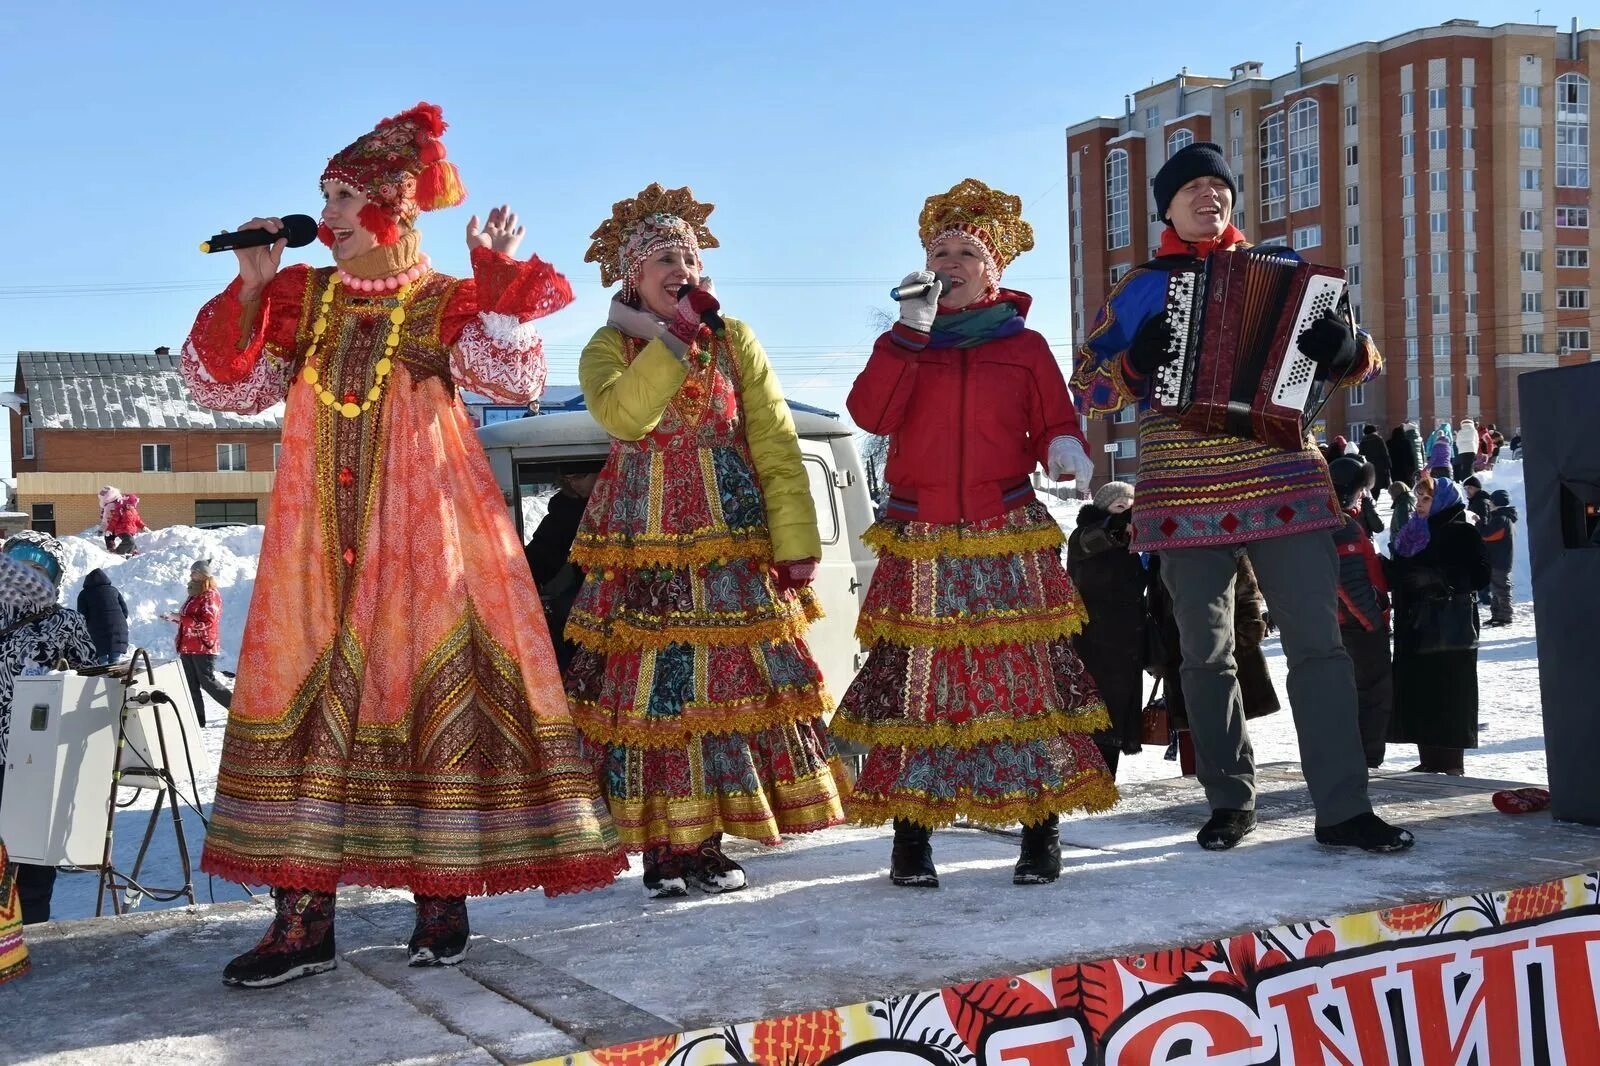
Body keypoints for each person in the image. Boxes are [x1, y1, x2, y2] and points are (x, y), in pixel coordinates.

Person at [179, 103, 624, 987]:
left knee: (425, 692)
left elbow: (515, 380)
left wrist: (498, 281)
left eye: (346, 196)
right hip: (314, 549)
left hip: (422, 543)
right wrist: (255, 283)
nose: (330, 213)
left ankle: (441, 901)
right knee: (307, 700)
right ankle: (301, 923)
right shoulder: (304, 301)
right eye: (325, 196)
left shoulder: (440, 301)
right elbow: (226, 395)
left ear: (395, 209)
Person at [1072, 141, 1412, 853]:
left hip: (1284, 479)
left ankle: (1344, 808)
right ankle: (1230, 800)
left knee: (1320, 647)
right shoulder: (1142, 286)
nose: (1209, 197)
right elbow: (1091, 387)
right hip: (1182, 488)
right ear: (1166, 207)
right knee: (1204, 654)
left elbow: (1367, 360)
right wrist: (1136, 360)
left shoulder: (1288, 273)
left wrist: (1344, 351)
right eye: (1191, 188)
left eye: (1217, 188)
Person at [567, 182, 844, 899]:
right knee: (656, 697)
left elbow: (775, 442)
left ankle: (706, 840)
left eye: (686, 255)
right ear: (633, 274)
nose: (678, 267)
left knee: (724, 693)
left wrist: (795, 540)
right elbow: (626, 417)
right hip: (645, 547)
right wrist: (676, 338)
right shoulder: (607, 346)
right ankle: (663, 848)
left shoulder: (736, 339)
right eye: (662, 257)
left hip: (729, 542)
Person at [840, 178, 1115, 888]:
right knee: (918, 688)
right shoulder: (904, 342)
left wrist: (1065, 449)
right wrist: (909, 334)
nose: (952, 262)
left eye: (968, 251)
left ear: (995, 269)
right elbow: (870, 413)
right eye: (941, 250)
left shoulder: (1023, 348)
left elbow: (1056, 419)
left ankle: (1039, 832)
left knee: (1022, 683)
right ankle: (911, 841)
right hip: (921, 532)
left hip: (1004, 528)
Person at [0, 532, 98, 926]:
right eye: (18, 565)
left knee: (33, 864)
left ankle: (34, 937)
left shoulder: (64, 622)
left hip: (36, 761)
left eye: (38, 568)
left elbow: (93, 683)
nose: (26, 576)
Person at [1389, 477, 1489, 775]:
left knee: (1449, 693)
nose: (1418, 505)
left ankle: (1451, 765)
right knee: (1421, 692)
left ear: (1443, 500)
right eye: (1418, 498)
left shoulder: (1461, 531)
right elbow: (1404, 572)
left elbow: (1480, 575)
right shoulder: (1414, 531)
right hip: (1415, 625)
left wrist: (1439, 578)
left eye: (1426, 499)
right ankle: (1430, 760)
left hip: (1448, 627)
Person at [1067, 481, 1148, 777]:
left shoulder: (1131, 546)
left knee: (1118, 713)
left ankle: (1104, 781)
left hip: (1126, 642)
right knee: (1097, 710)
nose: (1126, 515)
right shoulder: (1085, 536)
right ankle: (1093, 781)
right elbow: (1092, 540)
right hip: (1094, 641)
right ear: (1102, 509)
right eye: (1118, 507)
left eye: (1130, 509)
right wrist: (1115, 527)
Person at [1329, 459, 1393, 769]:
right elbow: (1351, 584)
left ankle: (1354, 759)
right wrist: (1374, 620)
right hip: (1359, 627)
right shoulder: (1344, 528)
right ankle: (1366, 762)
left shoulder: (1334, 521)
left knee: (1352, 694)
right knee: (1372, 695)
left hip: (1342, 624)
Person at [523, 463, 603, 673]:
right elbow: (546, 546)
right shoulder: (566, 505)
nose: (574, 485)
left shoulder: (623, 500)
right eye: (568, 480)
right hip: (585, 587)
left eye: (579, 476)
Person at [158, 560, 233, 727]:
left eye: (194, 572)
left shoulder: (210, 595)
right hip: (187, 645)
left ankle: (236, 709)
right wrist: (174, 618)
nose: (191, 575)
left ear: (203, 574)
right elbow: (189, 620)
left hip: (203, 646)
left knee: (207, 682)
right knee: (190, 684)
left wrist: (181, 618)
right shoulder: (194, 594)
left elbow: (207, 622)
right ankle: (197, 720)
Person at [76, 567, 129, 665]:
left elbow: (82, 616)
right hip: (118, 629)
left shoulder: (84, 594)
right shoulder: (113, 590)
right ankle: (115, 673)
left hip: (97, 631)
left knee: (102, 662)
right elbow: (125, 611)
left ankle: (104, 671)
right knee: (114, 661)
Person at [1481, 489, 1518, 627]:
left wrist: (1479, 524)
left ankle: (1505, 616)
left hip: (1500, 561)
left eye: (1491, 501)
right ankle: (1496, 615)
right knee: (1495, 590)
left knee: (1501, 589)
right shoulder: (1500, 517)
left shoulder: (1502, 518)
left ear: (1496, 502)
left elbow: (1488, 536)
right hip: (1496, 560)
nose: (1489, 503)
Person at [98, 486, 146, 556]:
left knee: (130, 542)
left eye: (132, 505)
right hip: (121, 529)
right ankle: (116, 550)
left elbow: (138, 520)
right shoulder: (120, 511)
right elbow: (112, 520)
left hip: (130, 530)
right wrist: (107, 529)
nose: (131, 506)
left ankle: (132, 552)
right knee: (128, 540)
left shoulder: (133, 511)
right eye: (129, 505)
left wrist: (143, 526)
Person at [1387, 481, 1416, 557]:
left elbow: (1403, 527)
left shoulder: (1402, 505)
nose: (1391, 498)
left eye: (1391, 495)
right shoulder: (1409, 502)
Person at [1358, 425, 1391, 491]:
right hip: (1380, 467)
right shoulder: (1379, 439)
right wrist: (1388, 465)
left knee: (1371, 487)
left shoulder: (1363, 442)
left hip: (1368, 468)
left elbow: (1360, 455)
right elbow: (1385, 454)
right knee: (1378, 486)